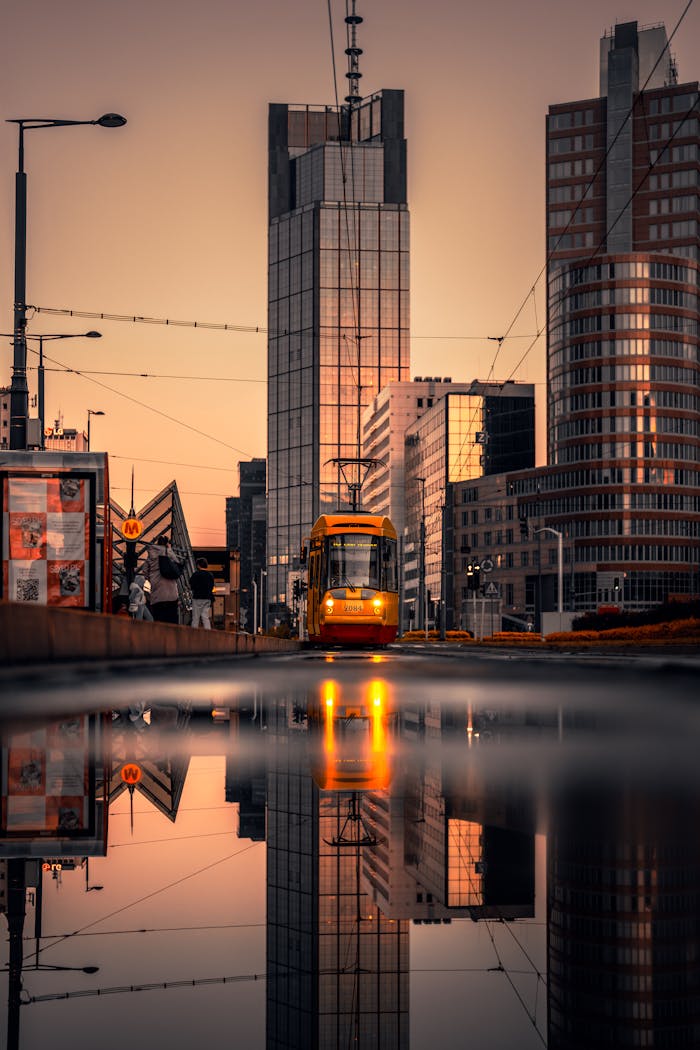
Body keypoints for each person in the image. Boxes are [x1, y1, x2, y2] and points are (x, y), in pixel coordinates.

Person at [143, 534, 183, 624]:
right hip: (171, 594)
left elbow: (145, 571)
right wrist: (169, 549)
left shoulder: (151, 554)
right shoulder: (168, 552)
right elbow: (177, 566)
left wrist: (152, 579)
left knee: (158, 620)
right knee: (172, 621)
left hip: (157, 594)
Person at [189, 557, 215, 629]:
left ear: (198, 565)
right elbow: (212, 586)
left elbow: (191, 584)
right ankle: (208, 633)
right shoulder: (210, 575)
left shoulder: (196, 574)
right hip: (207, 598)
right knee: (205, 617)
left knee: (195, 618)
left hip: (197, 598)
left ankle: (194, 634)